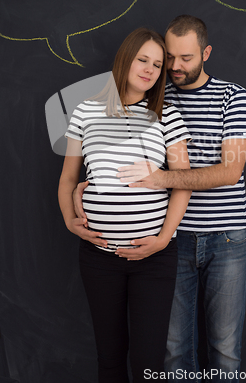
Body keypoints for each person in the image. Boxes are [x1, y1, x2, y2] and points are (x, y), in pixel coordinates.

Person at [74, 16, 246, 382]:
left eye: (186, 58)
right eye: (169, 58)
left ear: (206, 53)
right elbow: (111, 144)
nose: (175, 67)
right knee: (174, 350)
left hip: (226, 237)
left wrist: (162, 178)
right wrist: (90, 185)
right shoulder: (155, 94)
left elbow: (230, 172)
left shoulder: (232, 96)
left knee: (224, 348)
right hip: (170, 240)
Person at [58, 27, 191, 383]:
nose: (149, 69)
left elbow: (183, 183)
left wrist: (163, 239)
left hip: (155, 259)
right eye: (142, 59)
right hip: (99, 259)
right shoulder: (85, 112)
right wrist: (70, 220)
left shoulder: (168, 115)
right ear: (125, 59)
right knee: (110, 354)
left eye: (158, 65)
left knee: (149, 360)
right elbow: (69, 178)